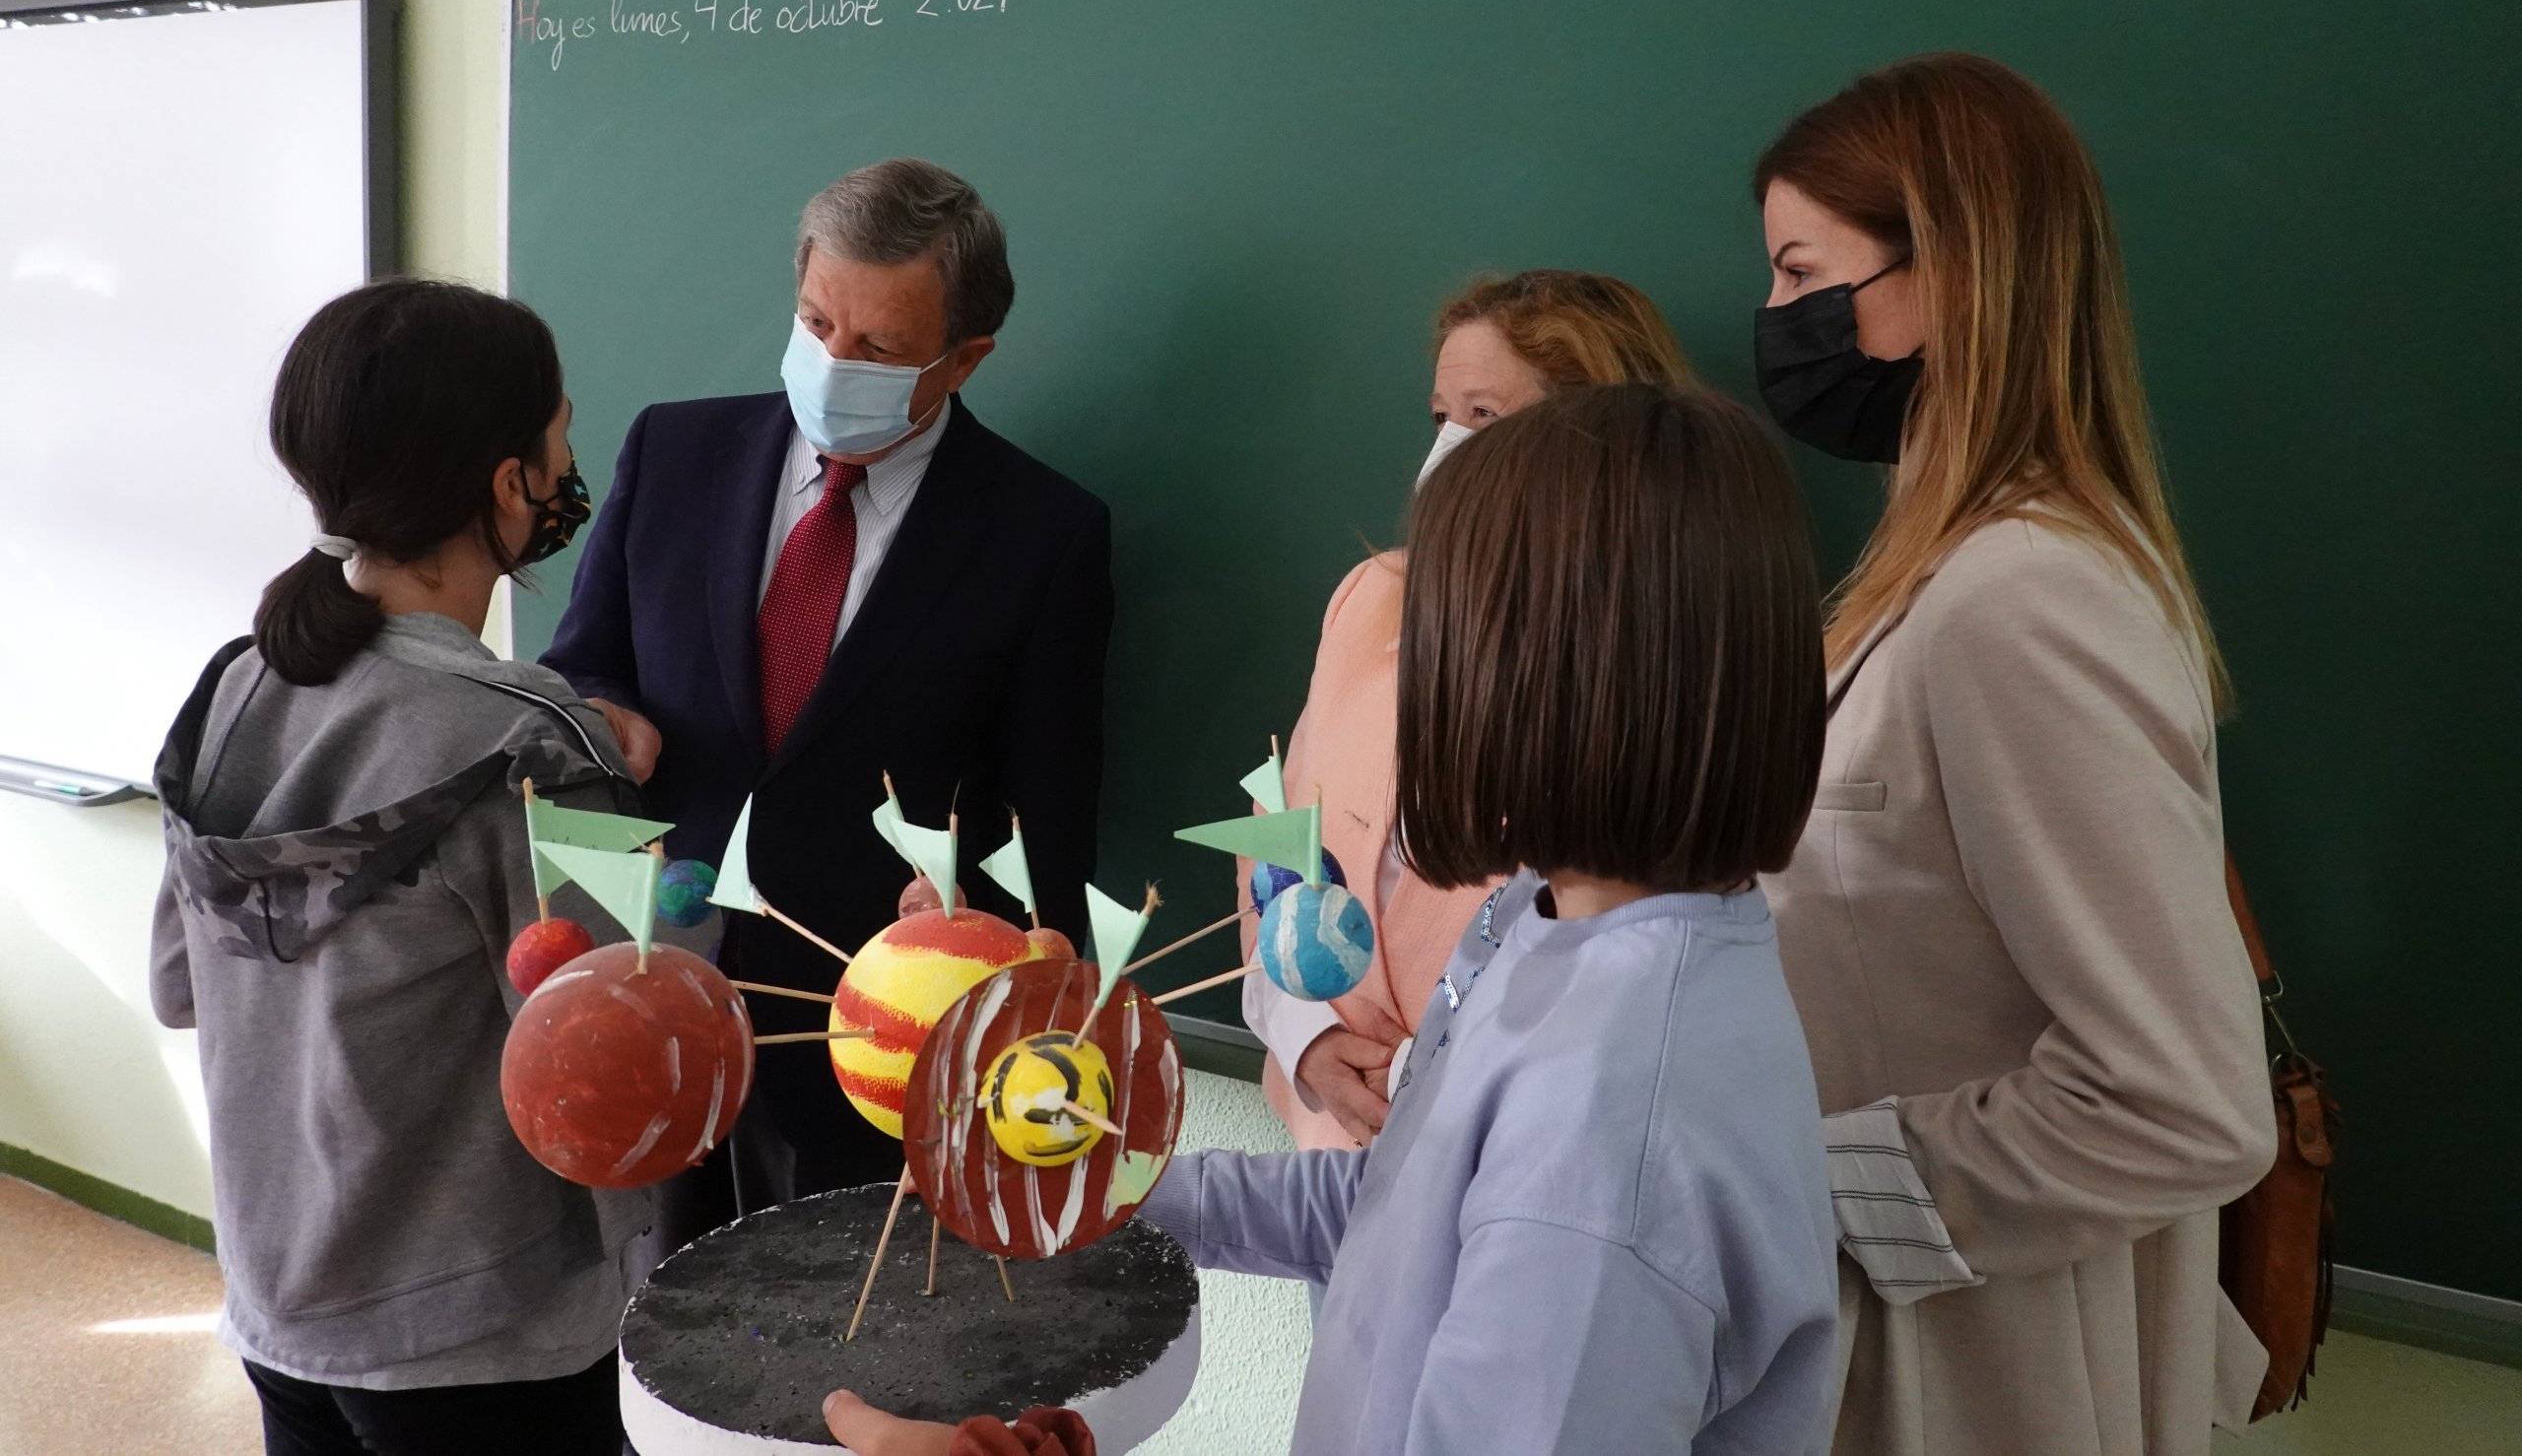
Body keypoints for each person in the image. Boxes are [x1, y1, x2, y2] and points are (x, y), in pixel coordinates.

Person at [832, 384, 1841, 1453]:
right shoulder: (1544, 921)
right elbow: (1393, 1212)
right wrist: (1099, 1178)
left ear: (1543, 682)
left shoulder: (1604, 1133)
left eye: (1436, 637)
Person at [1749, 52, 2277, 1455]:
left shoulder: (2022, 597)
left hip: (1975, 1367)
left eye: (1804, 274)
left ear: (1949, 274)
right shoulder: (1927, 575)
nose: (1776, 319)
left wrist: (1788, 1186)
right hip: (1880, 1339)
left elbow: (2181, 1102)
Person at [542, 158, 1112, 1225]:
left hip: (878, 1031)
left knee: (841, 1347)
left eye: (881, 348)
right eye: (816, 322)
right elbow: (583, 664)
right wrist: (602, 713)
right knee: (656, 1320)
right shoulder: (675, 450)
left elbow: (1048, 810)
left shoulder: (1045, 534)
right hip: (659, 986)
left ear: (965, 359)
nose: (834, 360)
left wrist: (977, 910)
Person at [151, 280, 649, 1456]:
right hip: (488, 1330)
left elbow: (181, 982)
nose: (567, 463)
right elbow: (619, 1051)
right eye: (559, 436)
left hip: (282, 1304)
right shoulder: (534, 737)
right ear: (503, 483)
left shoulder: (237, 687)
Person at [1246, 270, 1696, 1154]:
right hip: (1334, 1141)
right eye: (1439, 417)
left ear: (1598, 435)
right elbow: (1282, 842)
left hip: (1520, 1157)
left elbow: (1638, 947)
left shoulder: (1657, 658)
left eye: (1484, 417)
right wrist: (1308, 1038)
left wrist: (1433, 1071)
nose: (1450, 446)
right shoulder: (1372, 598)